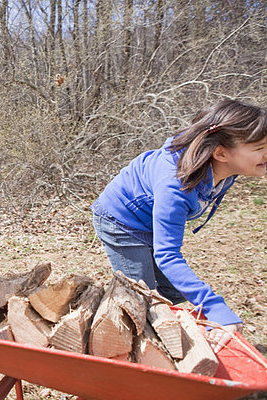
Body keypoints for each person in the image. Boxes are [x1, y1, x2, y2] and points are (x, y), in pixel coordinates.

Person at [91, 99, 267, 354]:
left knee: (172, 290)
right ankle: (114, 335)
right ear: (221, 153)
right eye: (260, 147)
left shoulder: (220, 160)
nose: (266, 153)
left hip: (149, 218)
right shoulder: (175, 186)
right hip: (122, 222)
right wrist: (215, 308)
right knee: (143, 303)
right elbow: (167, 255)